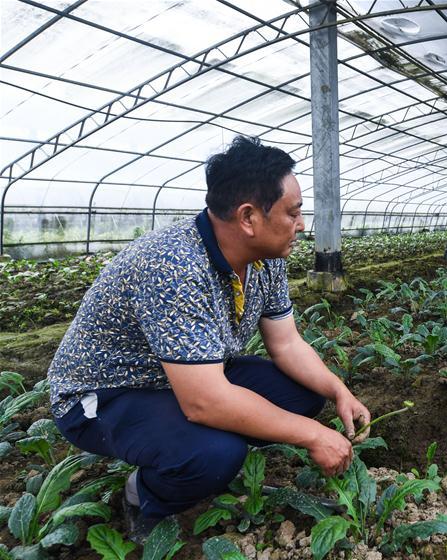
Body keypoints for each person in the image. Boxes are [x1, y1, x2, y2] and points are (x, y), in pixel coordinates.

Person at [48, 136, 370, 537]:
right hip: (107, 394)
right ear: (248, 217)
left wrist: (339, 390)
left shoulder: (264, 262)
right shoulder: (173, 265)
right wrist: (314, 435)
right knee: (215, 453)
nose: (302, 225)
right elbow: (203, 402)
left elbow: (286, 343)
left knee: (304, 394)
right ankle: (144, 493)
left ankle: (196, 453)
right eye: (293, 213)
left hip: (189, 376)